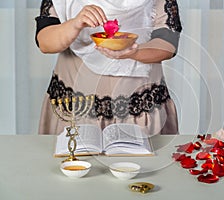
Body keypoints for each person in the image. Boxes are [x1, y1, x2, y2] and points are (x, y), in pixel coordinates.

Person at [35, 0, 182, 135]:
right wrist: (75, 23)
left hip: (140, 113)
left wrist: (134, 52)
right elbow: (45, 42)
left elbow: (168, 44)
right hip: (75, 111)